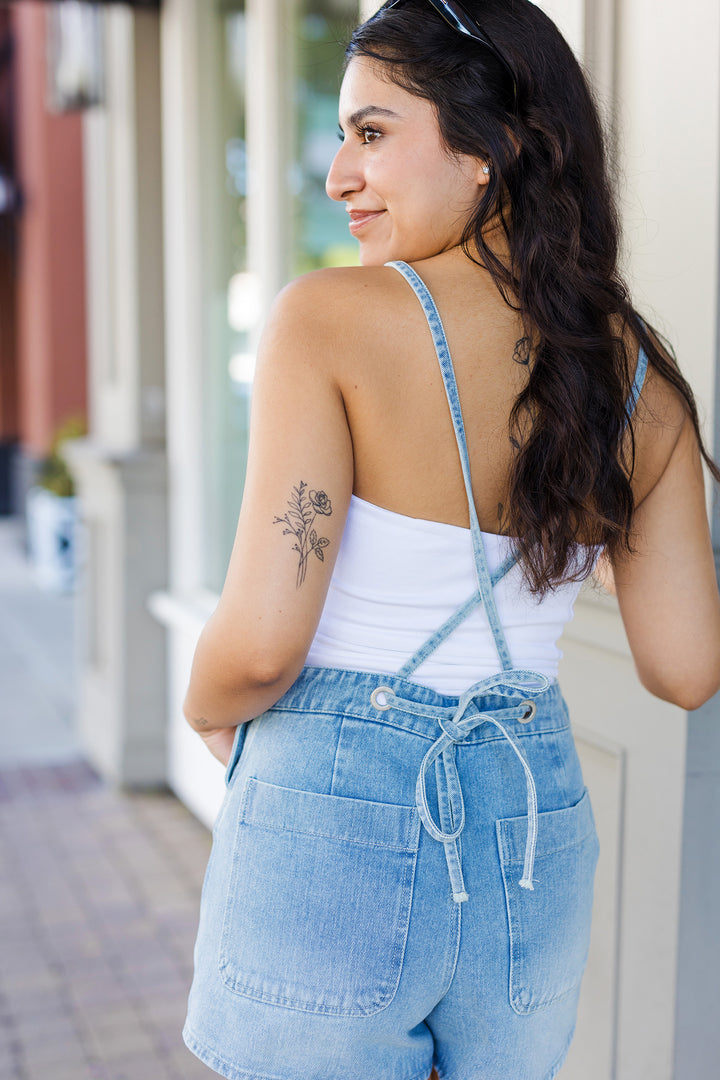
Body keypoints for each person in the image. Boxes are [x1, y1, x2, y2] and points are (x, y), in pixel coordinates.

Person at [181, 2, 720, 1078]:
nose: (339, 174)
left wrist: (204, 708)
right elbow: (687, 669)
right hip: (532, 826)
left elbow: (258, 648)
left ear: (490, 146)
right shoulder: (643, 383)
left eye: (372, 133)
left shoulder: (329, 322)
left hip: (335, 809)